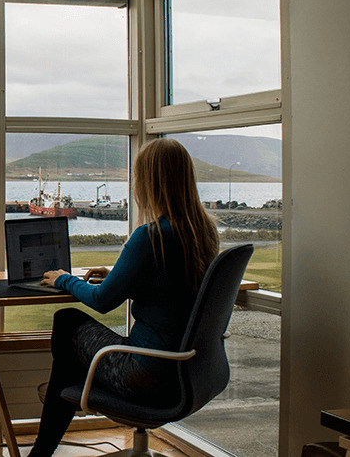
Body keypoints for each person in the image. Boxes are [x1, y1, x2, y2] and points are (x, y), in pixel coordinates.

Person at [26, 138, 219, 456]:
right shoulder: (203, 234)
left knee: (67, 320)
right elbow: (168, 287)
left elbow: (102, 301)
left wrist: (65, 280)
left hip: (145, 376)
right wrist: (120, 274)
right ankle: (65, 395)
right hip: (192, 374)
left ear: (148, 183)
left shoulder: (150, 236)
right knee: (70, 363)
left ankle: (51, 428)